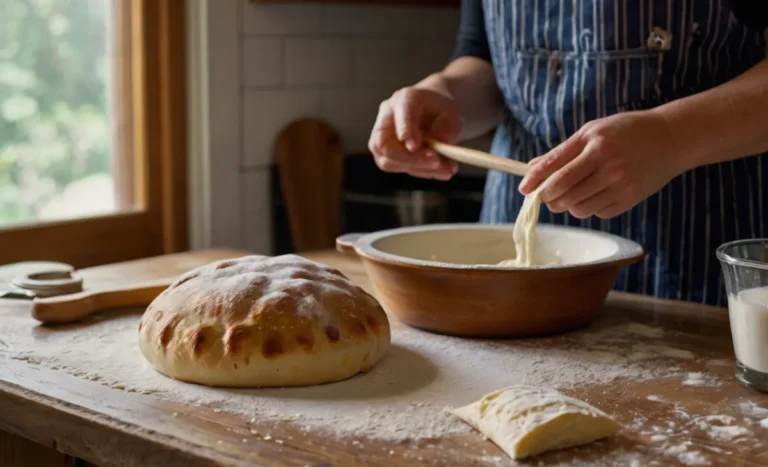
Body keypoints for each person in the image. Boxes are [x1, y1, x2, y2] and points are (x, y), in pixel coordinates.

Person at [367, 0, 768, 306]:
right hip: (516, 272)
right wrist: (444, 94)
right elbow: (486, 58)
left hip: (702, 261)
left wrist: (671, 137)